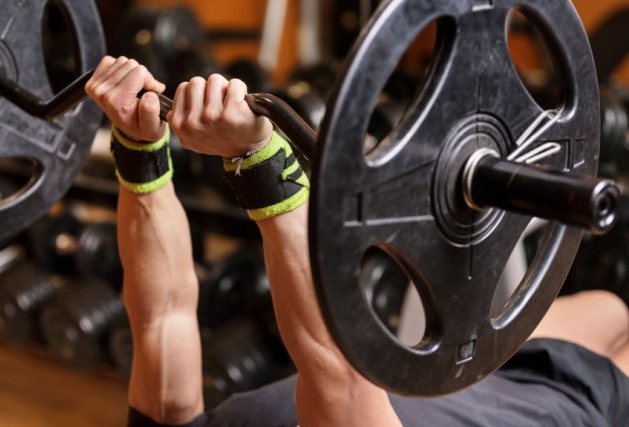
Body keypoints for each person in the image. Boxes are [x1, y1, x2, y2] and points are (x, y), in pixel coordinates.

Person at [85, 56, 629, 427]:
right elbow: (338, 374)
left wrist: (140, 147)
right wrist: (257, 161)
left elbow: (163, 313)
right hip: (564, 403)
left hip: (455, 372)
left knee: (609, 306)